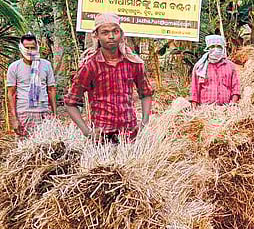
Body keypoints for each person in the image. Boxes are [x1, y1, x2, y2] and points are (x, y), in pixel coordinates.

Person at [64, 13, 153, 143]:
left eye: (115, 31)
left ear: (121, 34)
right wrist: (87, 132)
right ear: (97, 36)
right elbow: (70, 102)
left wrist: (144, 122)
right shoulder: (90, 66)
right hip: (102, 138)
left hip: (130, 135)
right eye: (105, 32)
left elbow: (146, 93)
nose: (111, 36)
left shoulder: (133, 62)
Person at [6, 33, 57, 137]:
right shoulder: (14, 67)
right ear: (21, 48)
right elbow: (11, 93)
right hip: (24, 113)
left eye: (32, 48)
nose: (29, 51)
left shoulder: (46, 65)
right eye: (26, 48)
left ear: (37, 47)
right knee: (25, 147)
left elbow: (51, 90)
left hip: (43, 111)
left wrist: (54, 114)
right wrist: (14, 119)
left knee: (46, 145)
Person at [190, 35, 240, 108]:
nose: (216, 49)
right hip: (205, 109)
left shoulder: (230, 66)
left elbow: (236, 87)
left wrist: (233, 103)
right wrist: (194, 109)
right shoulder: (200, 67)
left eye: (219, 46)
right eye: (212, 46)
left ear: (223, 48)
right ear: (208, 48)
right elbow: (195, 89)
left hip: (226, 109)